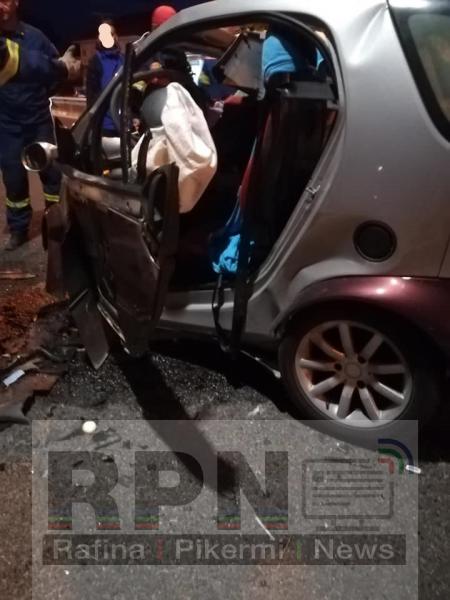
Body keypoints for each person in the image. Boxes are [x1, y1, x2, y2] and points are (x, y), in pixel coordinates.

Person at [0, 0, 81, 251]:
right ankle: (18, 229)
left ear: (16, 3)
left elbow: (55, 75)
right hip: (7, 122)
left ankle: (55, 221)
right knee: (13, 179)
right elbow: (55, 67)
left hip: (38, 120)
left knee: (51, 173)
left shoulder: (36, 37)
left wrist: (41, 95)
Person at [86, 22, 124, 136]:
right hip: (104, 126)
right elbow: (91, 96)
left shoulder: (124, 60)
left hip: (123, 124)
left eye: (110, 34)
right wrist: (94, 123)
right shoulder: (95, 62)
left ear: (115, 36)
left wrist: (134, 115)